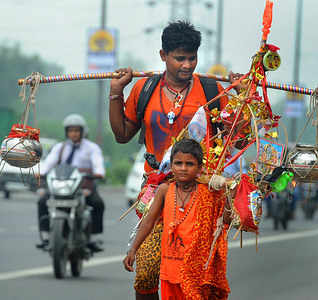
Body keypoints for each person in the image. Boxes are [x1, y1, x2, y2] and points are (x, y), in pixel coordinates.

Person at [109, 20, 241, 299]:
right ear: (163, 56)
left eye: (192, 58)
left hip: (200, 195)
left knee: (194, 277)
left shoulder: (211, 91)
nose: (187, 65)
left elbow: (236, 139)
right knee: (145, 275)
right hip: (156, 191)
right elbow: (122, 134)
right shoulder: (145, 89)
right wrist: (116, 92)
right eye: (179, 58)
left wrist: (241, 97)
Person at [123, 138, 231, 299]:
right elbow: (149, 222)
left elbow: (227, 220)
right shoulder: (164, 190)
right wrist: (133, 249)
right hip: (170, 270)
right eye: (178, 163)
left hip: (195, 271)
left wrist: (228, 191)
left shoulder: (209, 193)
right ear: (171, 165)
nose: (183, 168)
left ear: (200, 168)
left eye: (189, 164)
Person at [36, 114, 105, 252]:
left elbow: (98, 164)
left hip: (84, 185)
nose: (73, 133)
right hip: (62, 184)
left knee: (98, 203)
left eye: (76, 130)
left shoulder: (92, 148)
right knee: (42, 201)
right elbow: (49, 162)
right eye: (70, 130)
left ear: (82, 131)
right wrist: (41, 172)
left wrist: (98, 173)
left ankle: (94, 238)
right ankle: (45, 236)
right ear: (66, 132)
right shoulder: (60, 148)